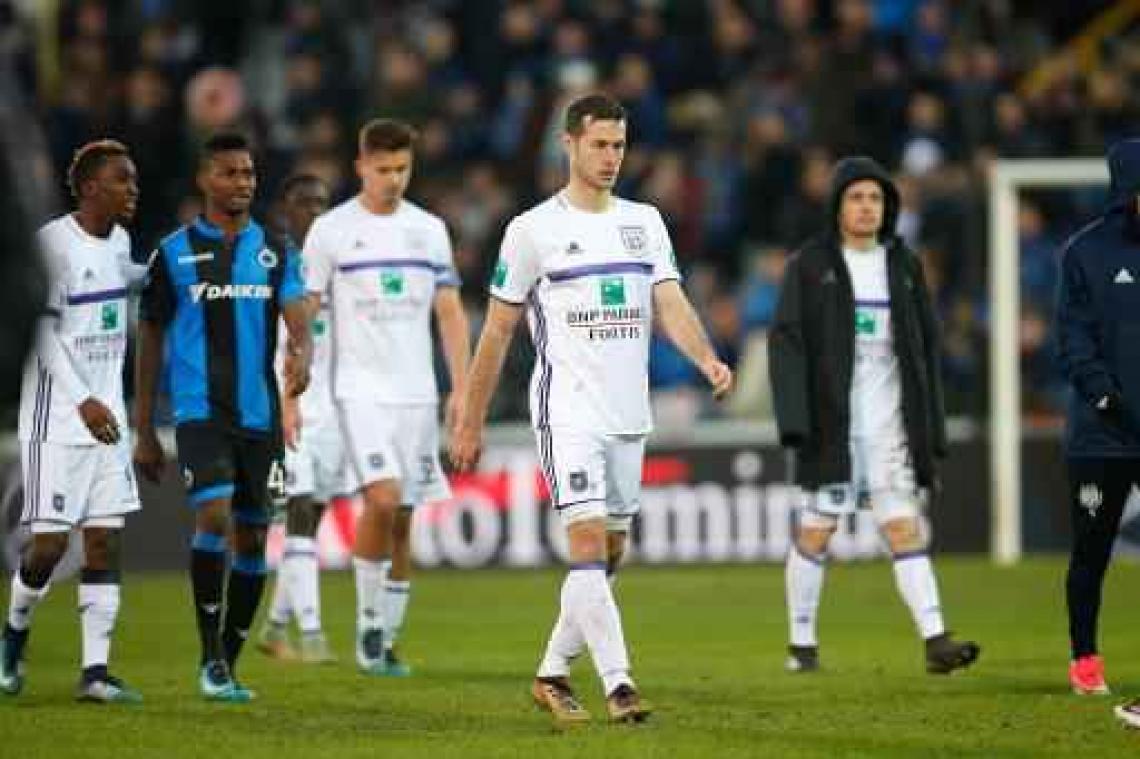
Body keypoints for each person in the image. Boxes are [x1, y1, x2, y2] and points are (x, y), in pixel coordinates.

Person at [450, 93, 733, 726]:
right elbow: (496, 332)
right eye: (600, 145)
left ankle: (552, 672)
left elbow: (670, 303)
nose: (611, 157)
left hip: (628, 414)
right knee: (584, 541)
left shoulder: (645, 222)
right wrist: (469, 419)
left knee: (608, 551)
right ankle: (619, 685)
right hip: (567, 411)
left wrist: (706, 359)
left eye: (619, 146)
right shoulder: (532, 230)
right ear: (570, 144)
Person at [768, 155, 979, 676]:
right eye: (856, 197)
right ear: (837, 206)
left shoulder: (903, 266)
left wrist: (931, 425)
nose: (866, 207)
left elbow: (925, 350)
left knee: (904, 529)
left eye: (875, 198)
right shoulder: (811, 266)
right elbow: (787, 343)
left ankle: (936, 640)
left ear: (888, 207)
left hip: (890, 430)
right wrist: (795, 420)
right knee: (817, 531)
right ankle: (801, 644)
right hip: (832, 426)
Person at [132, 132, 312, 702]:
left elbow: (297, 312)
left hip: (259, 415)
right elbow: (151, 336)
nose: (242, 183)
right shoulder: (174, 252)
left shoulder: (275, 249)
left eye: (249, 173)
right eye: (230, 173)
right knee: (214, 516)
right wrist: (143, 428)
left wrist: (303, 349)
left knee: (255, 537)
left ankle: (227, 662)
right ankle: (210, 655)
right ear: (204, 179)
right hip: (200, 411)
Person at [303, 119, 470, 677]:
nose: (393, 180)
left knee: (401, 518)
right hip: (359, 393)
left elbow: (449, 313)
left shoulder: (429, 230)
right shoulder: (331, 231)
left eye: (402, 169)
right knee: (382, 499)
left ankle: (386, 637)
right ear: (360, 167)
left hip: (417, 395)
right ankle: (369, 629)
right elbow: (305, 312)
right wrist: (294, 379)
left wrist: (462, 388)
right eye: (383, 169)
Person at [1, 139, 144, 703]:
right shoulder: (52, 245)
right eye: (122, 179)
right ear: (89, 188)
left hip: (108, 419)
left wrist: (155, 274)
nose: (133, 189)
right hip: (58, 419)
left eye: (133, 179)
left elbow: (121, 277)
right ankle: (13, 637)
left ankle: (95, 673)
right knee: (49, 547)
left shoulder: (121, 241)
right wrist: (83, 400)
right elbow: (41, 332)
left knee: (104, 541)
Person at [1055, 137, 1140, 696]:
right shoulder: (1085, 252)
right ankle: (1085, 657)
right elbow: (1072, 339)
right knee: (1092, 551)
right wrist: (1106, 397)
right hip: (1102, 435)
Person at [257, 173, 342, 664]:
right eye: (305, 202)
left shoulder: (338, 263)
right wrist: (282, 401)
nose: (315, 211)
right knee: (300, 510)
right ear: (285, 210)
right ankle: (312, 635)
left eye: (322, 202)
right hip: (290, 404)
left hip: (333, 409)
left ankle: (274, 627)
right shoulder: (272, 264)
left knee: (312, 518)